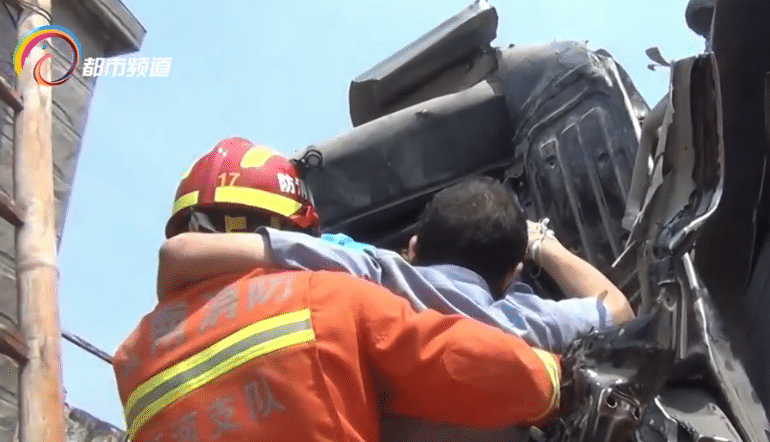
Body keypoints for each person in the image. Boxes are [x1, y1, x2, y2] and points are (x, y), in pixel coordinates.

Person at [112, 138, 566, 442]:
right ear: (296, 235)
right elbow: (465, 361)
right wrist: (555, 377)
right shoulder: (327, 298)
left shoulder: (132, 358)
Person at [159, 176, 634, 354]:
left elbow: (180, 255)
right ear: (510, 277)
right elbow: (617, 309)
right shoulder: (522, 322)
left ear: (412, 245)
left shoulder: (373, 272)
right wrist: (543, 245)